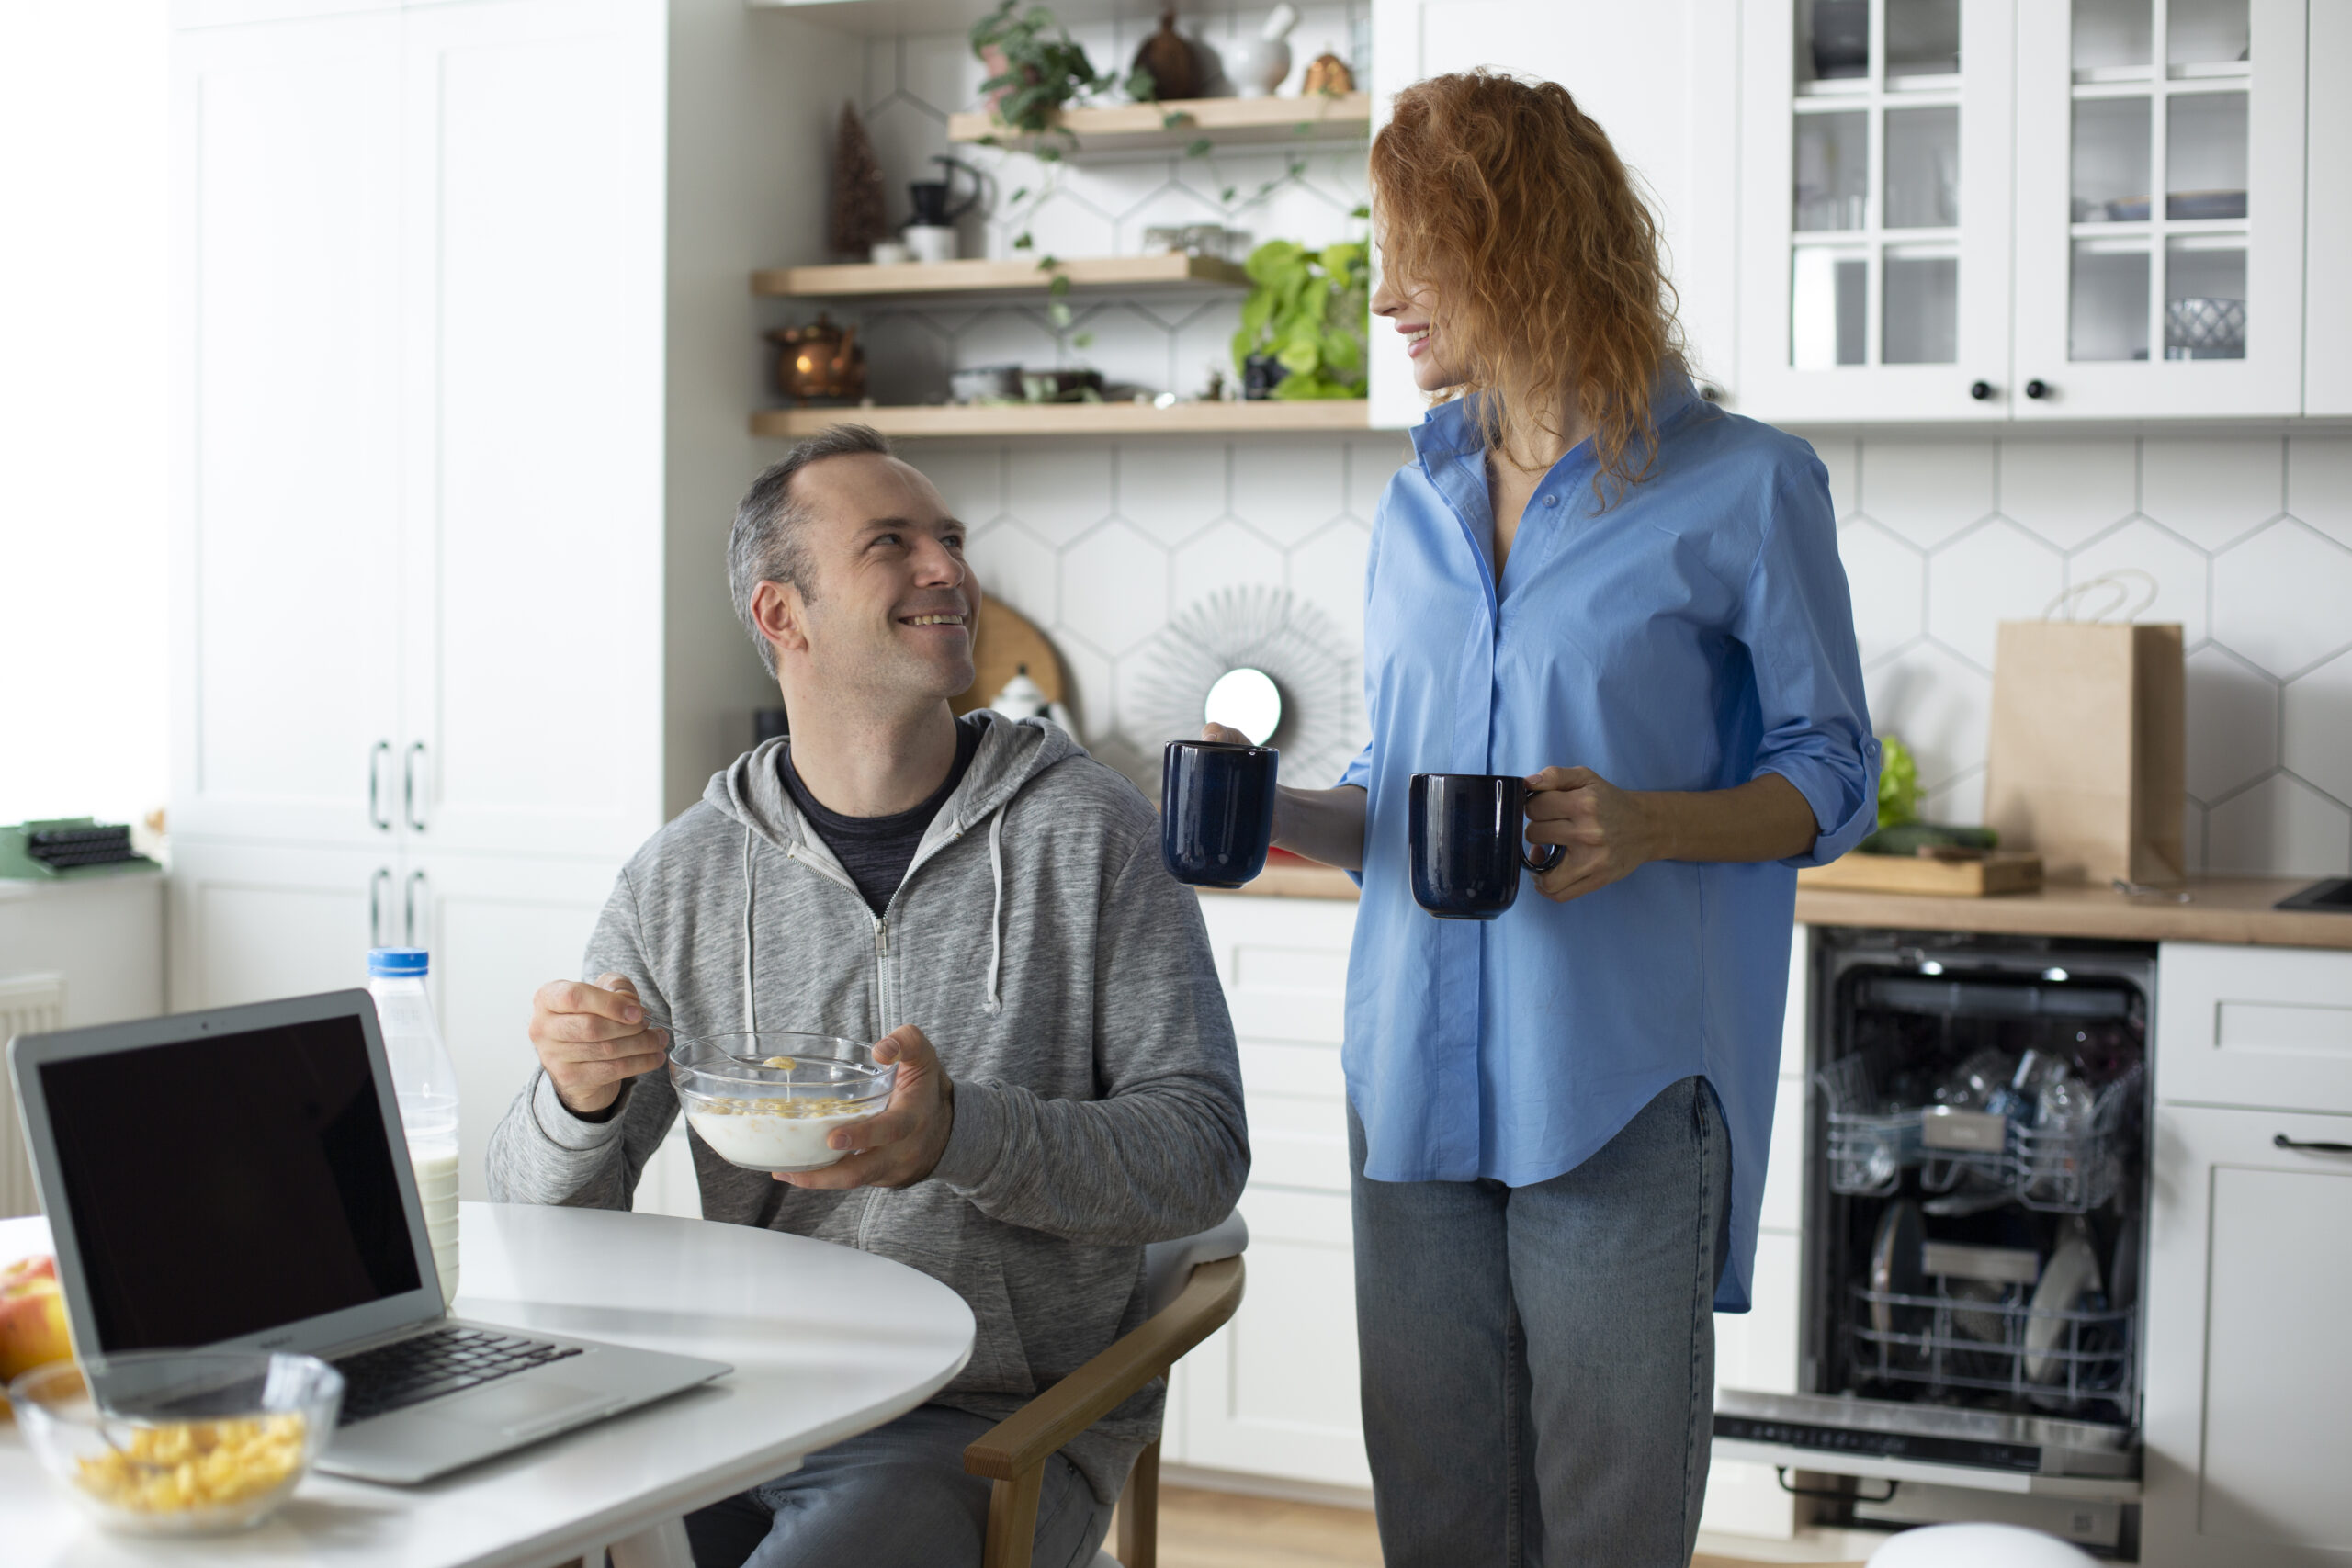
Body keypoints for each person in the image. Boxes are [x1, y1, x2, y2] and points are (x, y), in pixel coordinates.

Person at [1211, 72, 1877, 1566]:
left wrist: (1651, 824)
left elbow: (1832, 771)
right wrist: (1279, 817)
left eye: (1412, 250)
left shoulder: (1746, 484)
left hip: (1617, 1084)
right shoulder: (1417, 500)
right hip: (1414, 1081)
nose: (1386, 296)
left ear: (1521, 243)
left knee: (1606, 1532)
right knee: (1439, 1524)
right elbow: (1398, 788)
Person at [487, 423, 1250, 1568]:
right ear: (780, 616)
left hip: (979, 1422)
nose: (947, 568)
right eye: (891, 544)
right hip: (728, 1400)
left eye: (948, 539)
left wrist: (960, 1136)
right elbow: (537, 1222)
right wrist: (576, 1100)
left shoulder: (1091, 835)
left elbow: (1201, 1152)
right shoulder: (681, 877)